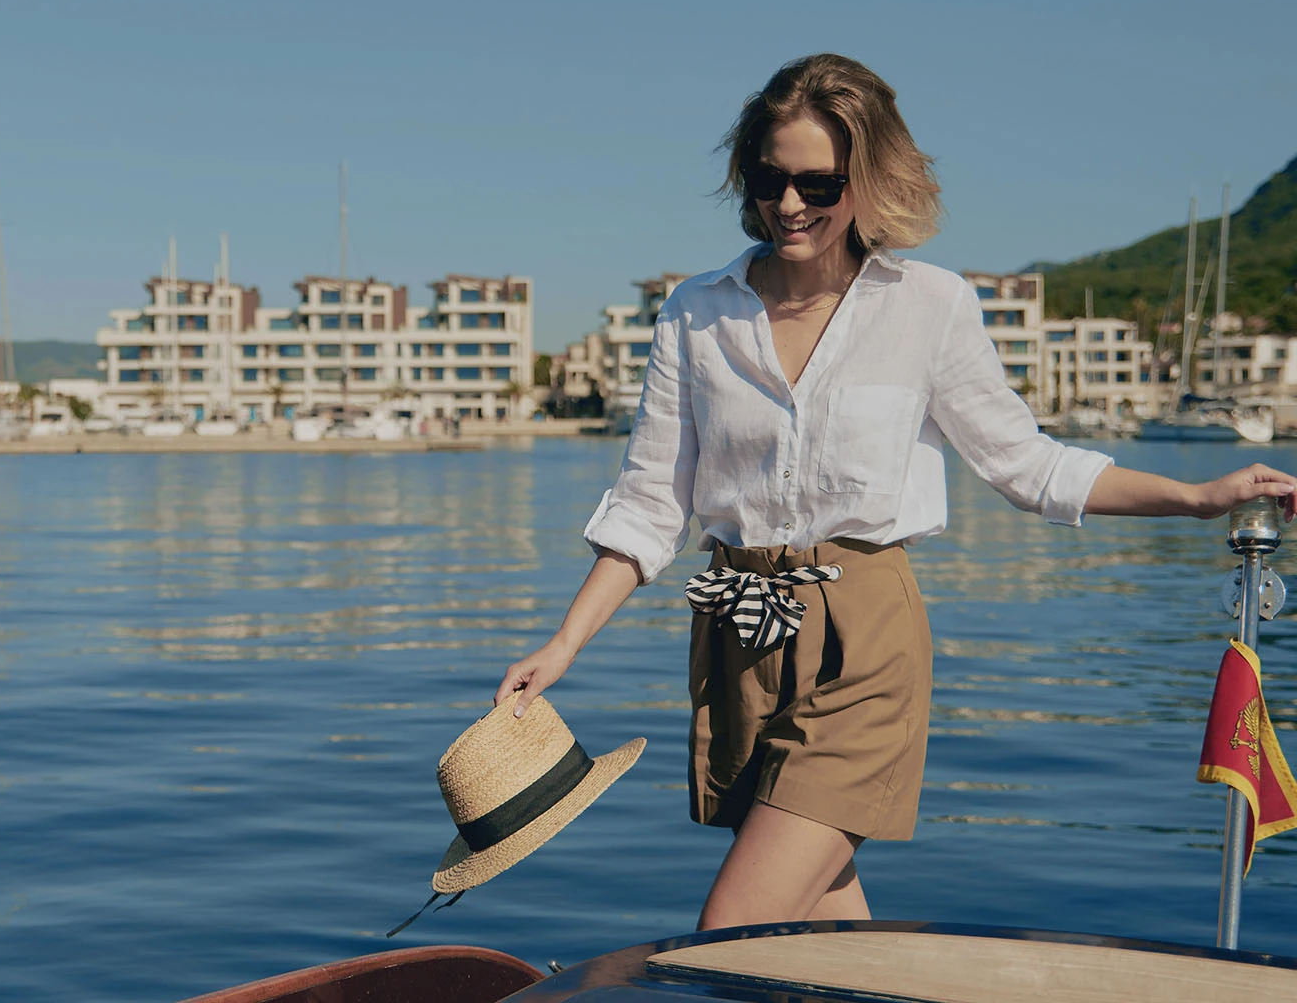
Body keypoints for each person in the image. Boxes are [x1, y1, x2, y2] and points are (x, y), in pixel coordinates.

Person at [492, 53, 1297, 932]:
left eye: (817, 182)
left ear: (867, 181)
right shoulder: (696, 310)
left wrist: (1196, 495)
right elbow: (651, 503)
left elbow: (1025, 464)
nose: (788, 205)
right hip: (737, 636)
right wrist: (565, 643)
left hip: (863, 638)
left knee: (731, 934)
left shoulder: (929, 306)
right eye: (769, 179)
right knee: (824, 933)